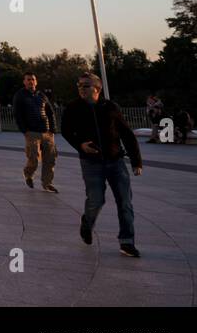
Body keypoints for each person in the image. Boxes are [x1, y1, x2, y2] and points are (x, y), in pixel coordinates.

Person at [61, 73, 144, 258]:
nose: (81, 88)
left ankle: (127, 242)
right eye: (79, 85)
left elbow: (126, 134)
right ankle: (87, 223)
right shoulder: (73, 108)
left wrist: (136, 160)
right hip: (91, 163)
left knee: (125, 202)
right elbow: (66, 130)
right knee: (96, 200)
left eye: (86, 85)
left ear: (97, 89)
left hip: (116, 161)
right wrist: (80, 145)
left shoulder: (110, 107)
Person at [12, 73, 58, 192]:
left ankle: (47, 183)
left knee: (50, 159)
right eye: (28, 80)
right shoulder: (20, 96)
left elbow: (50, 112)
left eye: (33, 79)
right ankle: (28, 174)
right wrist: (24, 130)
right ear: (24, 82)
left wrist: (53, 129)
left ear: (36, 82)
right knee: (34, 158)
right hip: (31, 132)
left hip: (47, 132)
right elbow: (18, 115)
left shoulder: (41, 95)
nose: (31, 81)